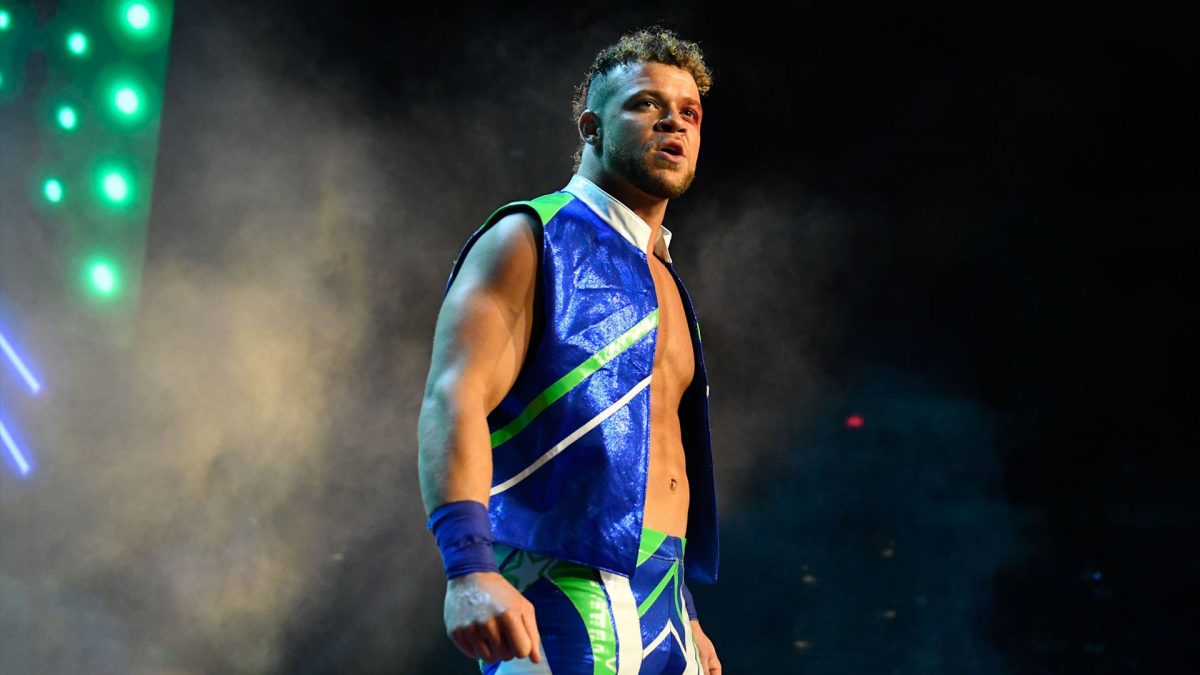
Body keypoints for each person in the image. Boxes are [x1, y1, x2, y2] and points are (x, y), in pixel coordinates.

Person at [419, 27, 722, 675]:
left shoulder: (667, 279)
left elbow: (658, 459)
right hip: (559, 586)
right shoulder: (531, 235)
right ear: (591, 126)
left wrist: (687, 611)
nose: (673, 120)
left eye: (689, 112)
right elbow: (454, 396)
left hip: (666, 601)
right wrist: (467, 568)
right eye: (646, 103)